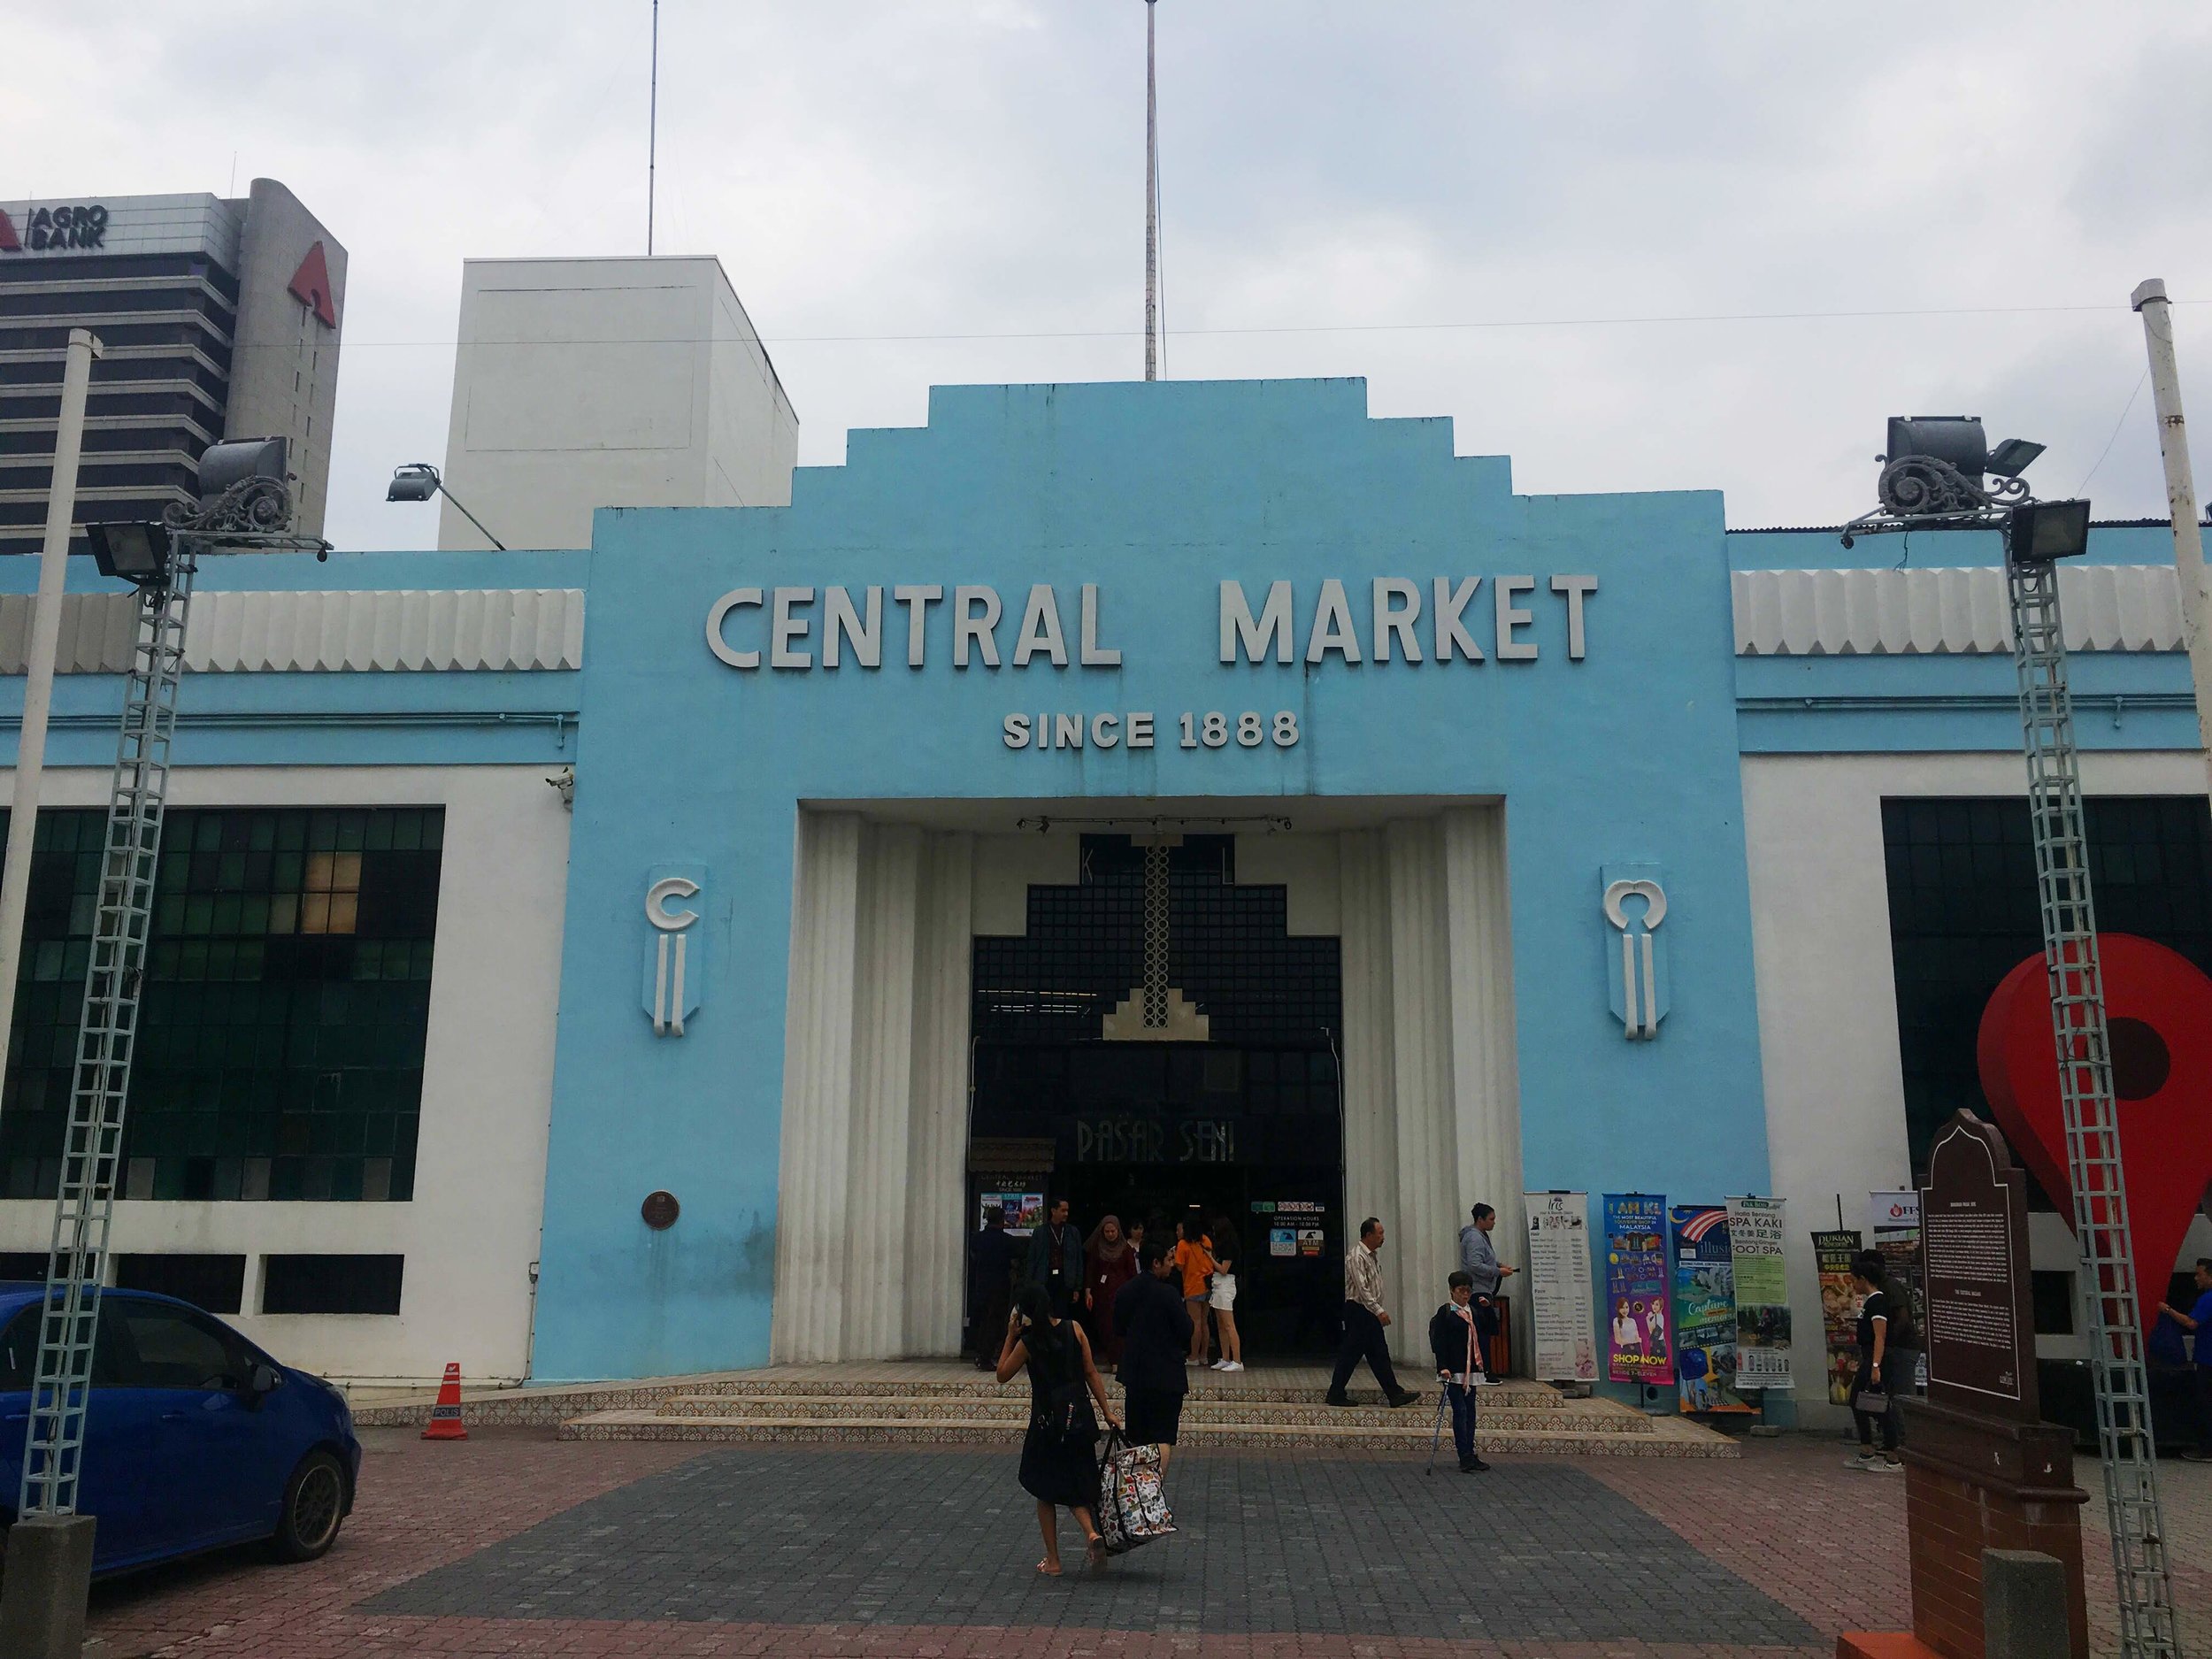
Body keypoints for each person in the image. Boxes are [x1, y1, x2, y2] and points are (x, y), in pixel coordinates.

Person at [997, 1280, 1120, 1575]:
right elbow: (1091, 1372)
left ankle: (1053, 1560)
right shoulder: (1074, 1328)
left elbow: (1002, 1374)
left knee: (1046, 1490)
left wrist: (1009, 1337)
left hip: (1047, 1425)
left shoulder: (1028, 1343)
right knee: (1076, 1484)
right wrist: (1107, 1412)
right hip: (1078, 1418)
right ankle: (1091, 1534)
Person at [1114, 1237, 1194, 1473]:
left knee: (1137, 1437)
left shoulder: (1125, 1290)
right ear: (1156, 1263)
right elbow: (1186, 1329)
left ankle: (1138, 1490)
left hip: (1136, 1374)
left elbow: (1118, 1328)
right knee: (1163, 1437)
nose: (1172, 1265)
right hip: (1166, 1376)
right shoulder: (1168, 1293)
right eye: (1169, 1260)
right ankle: (1155, 1492)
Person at [1326, 1217, 1421, 1409]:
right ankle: (1335, 1392)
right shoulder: (1356, 1256)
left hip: (1367, 1311)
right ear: (1368, 1235)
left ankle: (1394, 1393)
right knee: (1352, 1354)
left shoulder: (1371, 1256)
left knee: (1378, 1353)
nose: (1382, 1237)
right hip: (1360, 1310)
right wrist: (1379, 1311)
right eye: (1380, 1233)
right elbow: (1362, 1289)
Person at [1847, 1250, 1903, 1472]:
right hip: (1870, 1356)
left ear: (1863, 1280)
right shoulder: (1871, 1302)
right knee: (1859, 1401)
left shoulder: (1878, 1302)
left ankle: (1893, 1456)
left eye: (1854, 1280)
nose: (1852, 1285)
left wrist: (1876, 1366)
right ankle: (1867, 1450)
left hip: (1877, 1358)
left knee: (1881, 1405)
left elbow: (1880, 1335)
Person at [1429, 1270, 1491, 1473]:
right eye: (1461, 1291)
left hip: (1471, 1369)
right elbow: (1440, 1341)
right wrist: (1442, 1366)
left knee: (1470, 1412)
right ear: (1452, 1291)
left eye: (1468, 1291)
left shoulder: (1474, 1312)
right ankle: (1463, 1454)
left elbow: (1490, 1329)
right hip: (1453, 1370)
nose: (1465, 1295)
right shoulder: (1446, 1312)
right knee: (1460, 1410)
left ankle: (1470, 1452)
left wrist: (1488, 1309)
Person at [2155, 1257, 2212, 1462]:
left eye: (2200, 1274)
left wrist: (2168, 1310)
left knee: (2205, 1403)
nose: (2196, 1278)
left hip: (2208, 1360)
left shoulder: (2207, 1299)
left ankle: (2207, 1449)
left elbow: (2191, 1323)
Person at [1457, 1203, 1515, 1383]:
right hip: (1478, 1291)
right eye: (1491, 1219)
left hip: (1483, 1288)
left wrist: (1498, 1265)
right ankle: (1484, 1371)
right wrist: (1498, 1272)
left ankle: (1483, 1370)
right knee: (1482, 1331)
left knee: (1483, 1330)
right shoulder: (1474, 1237)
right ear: (1480, 1220)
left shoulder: (1481, 1236)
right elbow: (1475, 1264)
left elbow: (1484, 1259)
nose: (1494, 1222)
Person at [1081, 1215, 1139, 1365]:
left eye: (1113, 1231)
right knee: (1105, 1326)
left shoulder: (1126, 1249)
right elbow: (1091, 1270)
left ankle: (1119, 1360)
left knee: (1120, 1325)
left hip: (1121, 1293)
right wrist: (1087, 1291)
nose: (1110, 1234)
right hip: (1102, 1294)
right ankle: (1111, 1357)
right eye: (1107, 1232)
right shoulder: (1097, 1248)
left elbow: (1132, 1272)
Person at [968, 1205, 1018, 1371]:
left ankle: (979, 1352)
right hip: (1000, 1286)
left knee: (982, 1320)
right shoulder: (1008, 1240)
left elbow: (974, 1256)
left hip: (981, 1284)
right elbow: (1016, 1259)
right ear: (1002, 1220)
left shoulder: (977, 1238)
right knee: (995, 1321)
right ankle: (986, 1357)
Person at [1025, 1197, 1082, 1319]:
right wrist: (1029, 1283)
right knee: (1043, 1313)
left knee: (1062, 1314)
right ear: (1053, 1211)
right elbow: (1032, 1259)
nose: (1066, 1214)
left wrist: (1077, 1287)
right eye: (1062, 1210)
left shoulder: (1073, 1232)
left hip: (1065, 1278)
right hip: (1045, 1277)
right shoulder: (1040, 1232)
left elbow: (1078, 1261)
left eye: (1067, 1211)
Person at [1173, 1215, 1216, 1366]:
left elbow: (1179, 1266)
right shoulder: (1205, 1240)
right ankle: (1204, 1355)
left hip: (1192, 1285)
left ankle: (1194, 1356)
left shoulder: (1183, 1245)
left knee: (1195, 1322)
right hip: (1207, 1284)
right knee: (1204, 1322)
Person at [1208, 1219, 1244, 1372]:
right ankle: (1225, 1358)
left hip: (1226, 1283)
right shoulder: (1223, 1245)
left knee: (1229, 1324)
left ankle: (1237, 1360)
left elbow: (1224, 1269)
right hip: (1218, 1283)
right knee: (1221, 1324)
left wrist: (1209, 1257)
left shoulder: (1230, 1246)